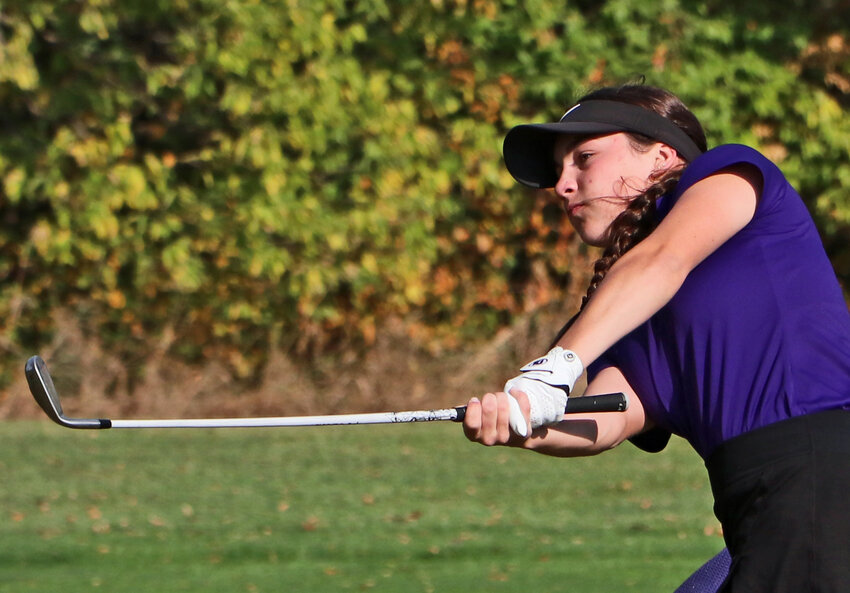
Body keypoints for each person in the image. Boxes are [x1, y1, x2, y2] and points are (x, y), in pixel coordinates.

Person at [462, 83, 850, 592]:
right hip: (757, 507)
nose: (562, 185)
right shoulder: (633, 313)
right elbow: (610, 417)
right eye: (559, 171)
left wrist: (554, 368)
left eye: (584, 157)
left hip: (823, 473)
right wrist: (522, 423)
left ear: (663, 154)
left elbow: (663, 260)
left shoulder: (730, 173)